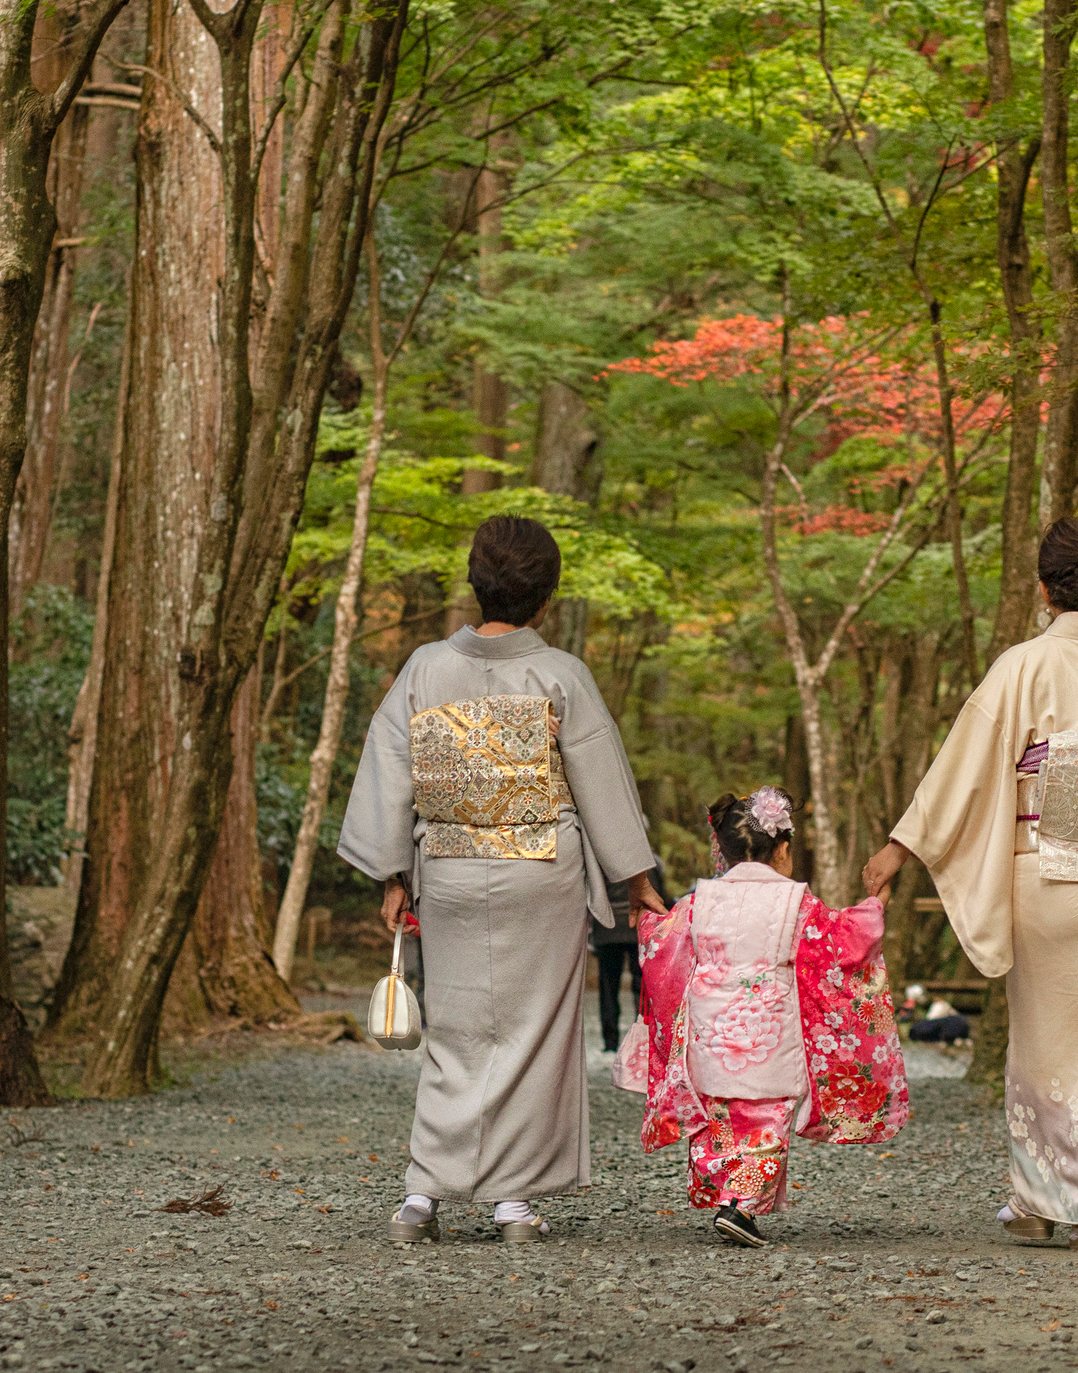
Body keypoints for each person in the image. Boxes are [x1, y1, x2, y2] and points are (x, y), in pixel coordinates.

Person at [862, 518, 1078, 1256]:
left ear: (1046, 589)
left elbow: (963, 769)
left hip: (1050, 877)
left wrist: (902, 846)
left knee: (1047, 1045)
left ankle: (1038, 1202)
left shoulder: (1023, 666)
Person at [336, 515, 665, 1245]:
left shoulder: (424, 668)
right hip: (541, 869)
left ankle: (422, 1192)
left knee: (452, 1030)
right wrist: (636, 879)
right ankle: (513, 1201)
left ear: (473, 583)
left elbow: (390, 770)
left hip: (449, 867)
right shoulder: (560, 673)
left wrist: (393, 874)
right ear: (547, 597)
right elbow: (601, 779)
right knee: (533, 1032)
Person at [619, 788, 907, 1249]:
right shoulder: (796, 902)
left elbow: (664, 945)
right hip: (769, 1032)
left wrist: (650, 920)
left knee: (720, 1117)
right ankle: (742, 1206)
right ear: (783, 850)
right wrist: (876, 907)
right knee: (767, 1117)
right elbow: (842, 941)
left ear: (723, 849)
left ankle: (726, 1197)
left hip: (711, 1034)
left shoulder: (700, 900)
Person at [590, 863, 669, 1051]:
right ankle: (641, 1037)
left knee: (608, 988)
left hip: (608, 929)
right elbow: (660, 897)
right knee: (641, 987)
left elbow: (594, 897)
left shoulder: (603, 864)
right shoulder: (651, 863)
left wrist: (592, 934)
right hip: (638, 930)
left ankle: (610, 1042)